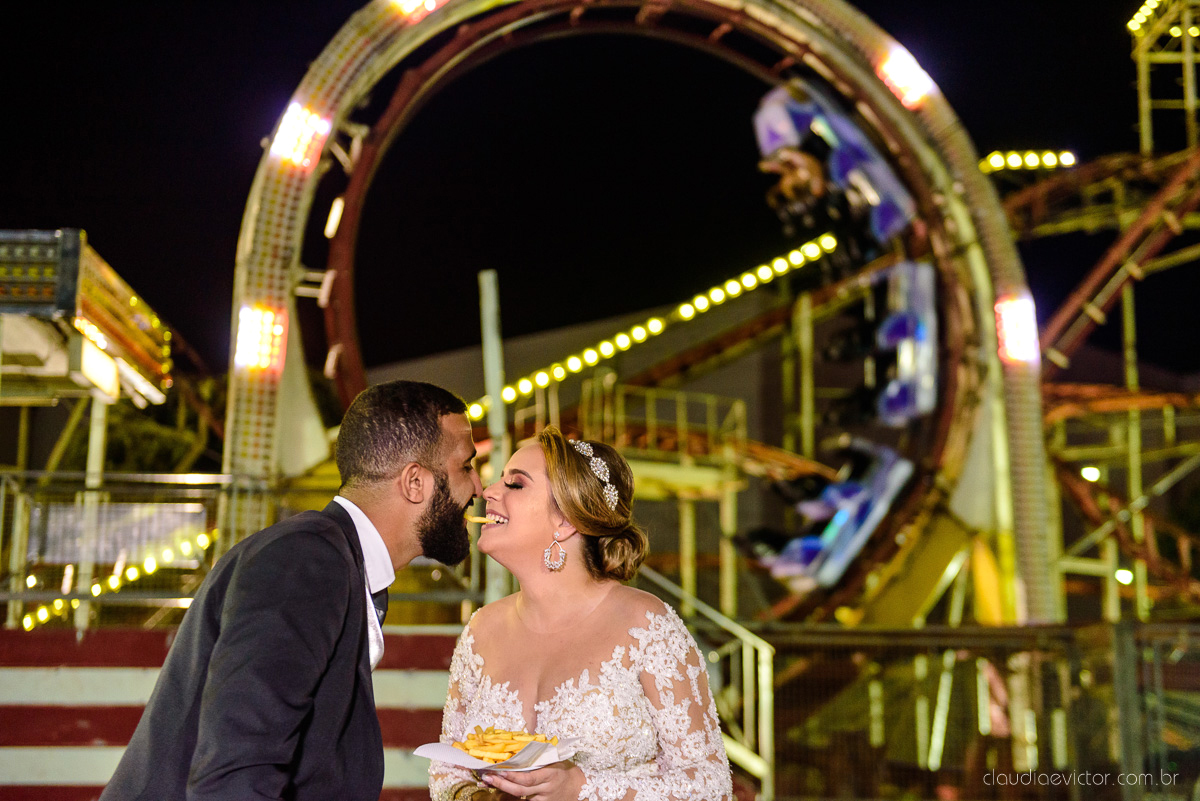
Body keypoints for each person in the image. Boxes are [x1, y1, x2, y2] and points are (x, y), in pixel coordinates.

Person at [101, 380, 483, 801]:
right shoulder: (307, 561)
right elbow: (236, 773)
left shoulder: (333, 562)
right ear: (415, 483)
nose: (479, 487)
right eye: (466, 466)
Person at [430, 425, 733, 801]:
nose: (488, 492)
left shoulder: (646, 626)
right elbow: (447, 770)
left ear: (566, 520)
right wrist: (474, 797)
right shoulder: (481, 630)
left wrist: (581, 788)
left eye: (515, 484)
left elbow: (711, 786)